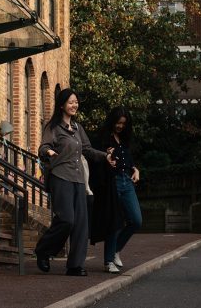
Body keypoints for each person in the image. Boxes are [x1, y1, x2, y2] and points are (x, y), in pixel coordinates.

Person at [34, 88, 114, 277]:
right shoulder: (53, 127)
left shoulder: (78, 128)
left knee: (80, 223)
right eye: (70, 102)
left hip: (79, 179)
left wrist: (106, 157)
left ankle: (75, 265)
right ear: (62, 105)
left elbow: (87, 149)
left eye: (76, 102)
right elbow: (43, 147)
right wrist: (48, 152)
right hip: (61, 176)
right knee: (66, 220)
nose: (74, 105)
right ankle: (43, 250)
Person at [91, 106, 142, 274]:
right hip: (111, 181)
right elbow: (93, 156)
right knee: (114, 221)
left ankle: (115, 250)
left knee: (136, 220)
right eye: (118, 123)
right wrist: (106, 159)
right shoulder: (102, 138)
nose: (120, 126)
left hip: (126, 180)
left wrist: (135, 169)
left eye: (123, 124)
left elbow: (128, 158)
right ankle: (108, 261)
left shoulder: (125, 138)